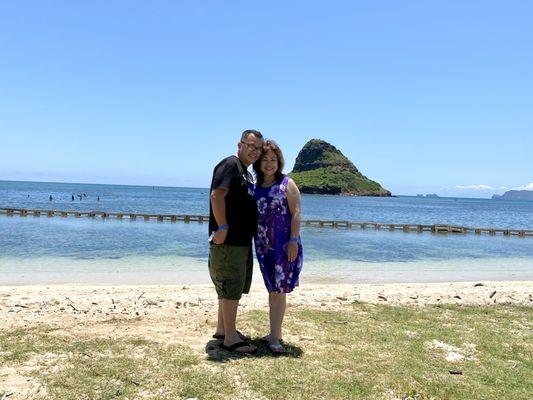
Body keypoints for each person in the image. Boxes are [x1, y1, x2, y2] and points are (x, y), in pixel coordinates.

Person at [208, 129, 264, 355]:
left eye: (258, 148)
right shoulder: (230, 165)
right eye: (250, 145)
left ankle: (223, 330)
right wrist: (221, 227)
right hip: (229, 241)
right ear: (239, 144)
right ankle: (230, 338)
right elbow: (216, 195)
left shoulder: (246, 172)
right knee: (230, 286)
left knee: (230, 286)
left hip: (240, 241)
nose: (255, 151)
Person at [252, 140, 303, 354]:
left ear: (279, 161)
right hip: (264, 246)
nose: (269, 164)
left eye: (273, 160)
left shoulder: (287, 184)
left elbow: (297, 213)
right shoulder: (255, 187)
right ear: (258, 163)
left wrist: (293, 240)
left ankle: (274, 338)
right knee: (272, 289)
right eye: (265, 160)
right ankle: (275, 332)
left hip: (284, 245)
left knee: (279, 291)